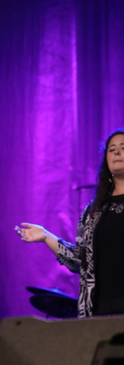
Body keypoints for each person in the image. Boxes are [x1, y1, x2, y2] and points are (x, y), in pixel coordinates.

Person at [16, 128, 124, 317]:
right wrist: (46, 236)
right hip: (99, 312)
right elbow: (79, 261)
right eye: (111, 149)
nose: (117, 152)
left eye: (123, 148)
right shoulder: (93, 212)